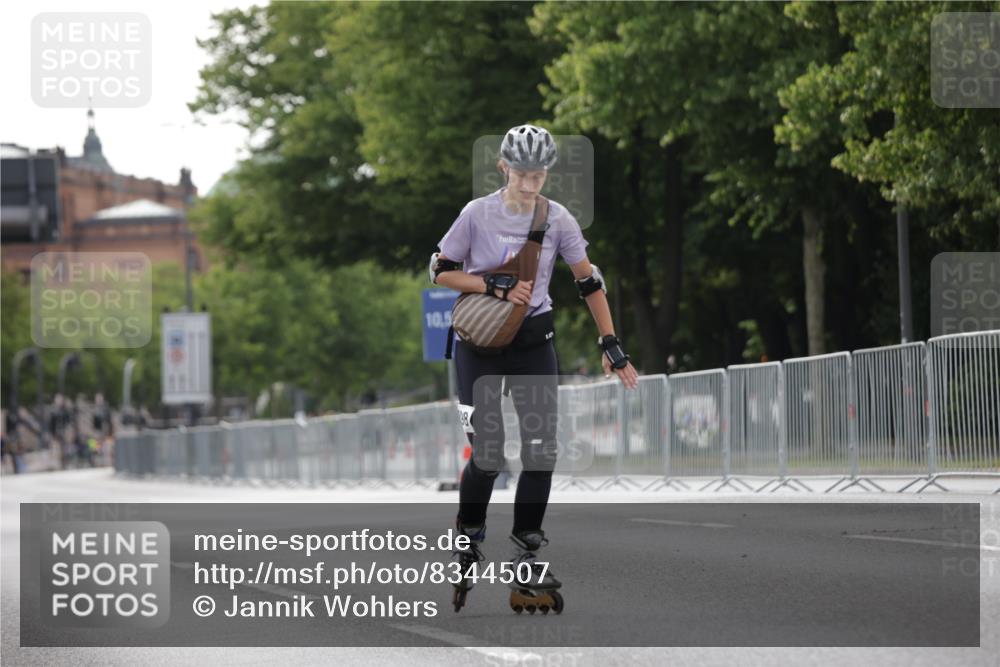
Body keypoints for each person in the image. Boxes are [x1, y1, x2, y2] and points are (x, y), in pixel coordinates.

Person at [431, 124, 639, 611]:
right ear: (503, 167)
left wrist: (611, 342)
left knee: (541, 449)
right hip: (479, 344)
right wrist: (493, 287)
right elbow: (440, 270)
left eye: (538, 174)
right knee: (487, 455)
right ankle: (468, 535)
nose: (530, 183)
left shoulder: (559, 219)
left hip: (532, 342)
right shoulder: (476, 214)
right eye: (522, 173)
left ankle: (526, 554)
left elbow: (588, 282)